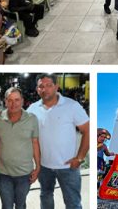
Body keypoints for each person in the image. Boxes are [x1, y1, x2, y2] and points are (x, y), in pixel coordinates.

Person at [27, 74, 89, 209]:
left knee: (73, 202)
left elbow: (87, 131)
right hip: (44, 166)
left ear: (56, 86)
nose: (45, 89)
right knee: (45, 196)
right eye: (41, 86)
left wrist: (79, 158)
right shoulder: (32, 109)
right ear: (37, 89)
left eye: (49, 85)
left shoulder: (71, 106)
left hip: (68, 167)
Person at [0, 87, 41, 209]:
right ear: (5, 101)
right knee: (6, 206)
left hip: (24, 174)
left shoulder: (31, 119)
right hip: (4, 174)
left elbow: (35, 143)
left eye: (17, 100)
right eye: (10, 100)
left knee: (20, 205)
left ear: (22, 101)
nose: (13, 104)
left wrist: (38, 167)